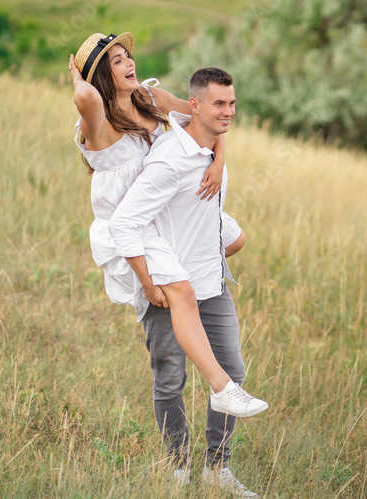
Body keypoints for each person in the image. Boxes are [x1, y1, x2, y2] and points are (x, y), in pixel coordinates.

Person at [68, 33, 267, 422]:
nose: (129, 65)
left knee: (236, 239)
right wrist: (77, 75)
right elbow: (86, 97)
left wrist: (219, 159)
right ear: (100, 77)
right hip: (130, 226)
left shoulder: (149, 98)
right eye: (116, 62)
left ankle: (217, 453)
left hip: (164, 214)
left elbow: (205, 117)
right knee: (178, 301)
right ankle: (221, 389)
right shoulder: (98, 122)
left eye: (128, 56)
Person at [109, 67, 262, 497]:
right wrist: (149, 282)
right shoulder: (169, 159)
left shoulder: (211, 143)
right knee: (170, 377)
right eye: (219, 104)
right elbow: (124, 224)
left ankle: (218, 470)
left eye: (232, 103)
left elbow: (213, 132)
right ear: (193, 105)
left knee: (232, 372)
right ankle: (176, 469)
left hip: (211, 281)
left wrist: (221, 156)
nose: (228, 112)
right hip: (170, 288)